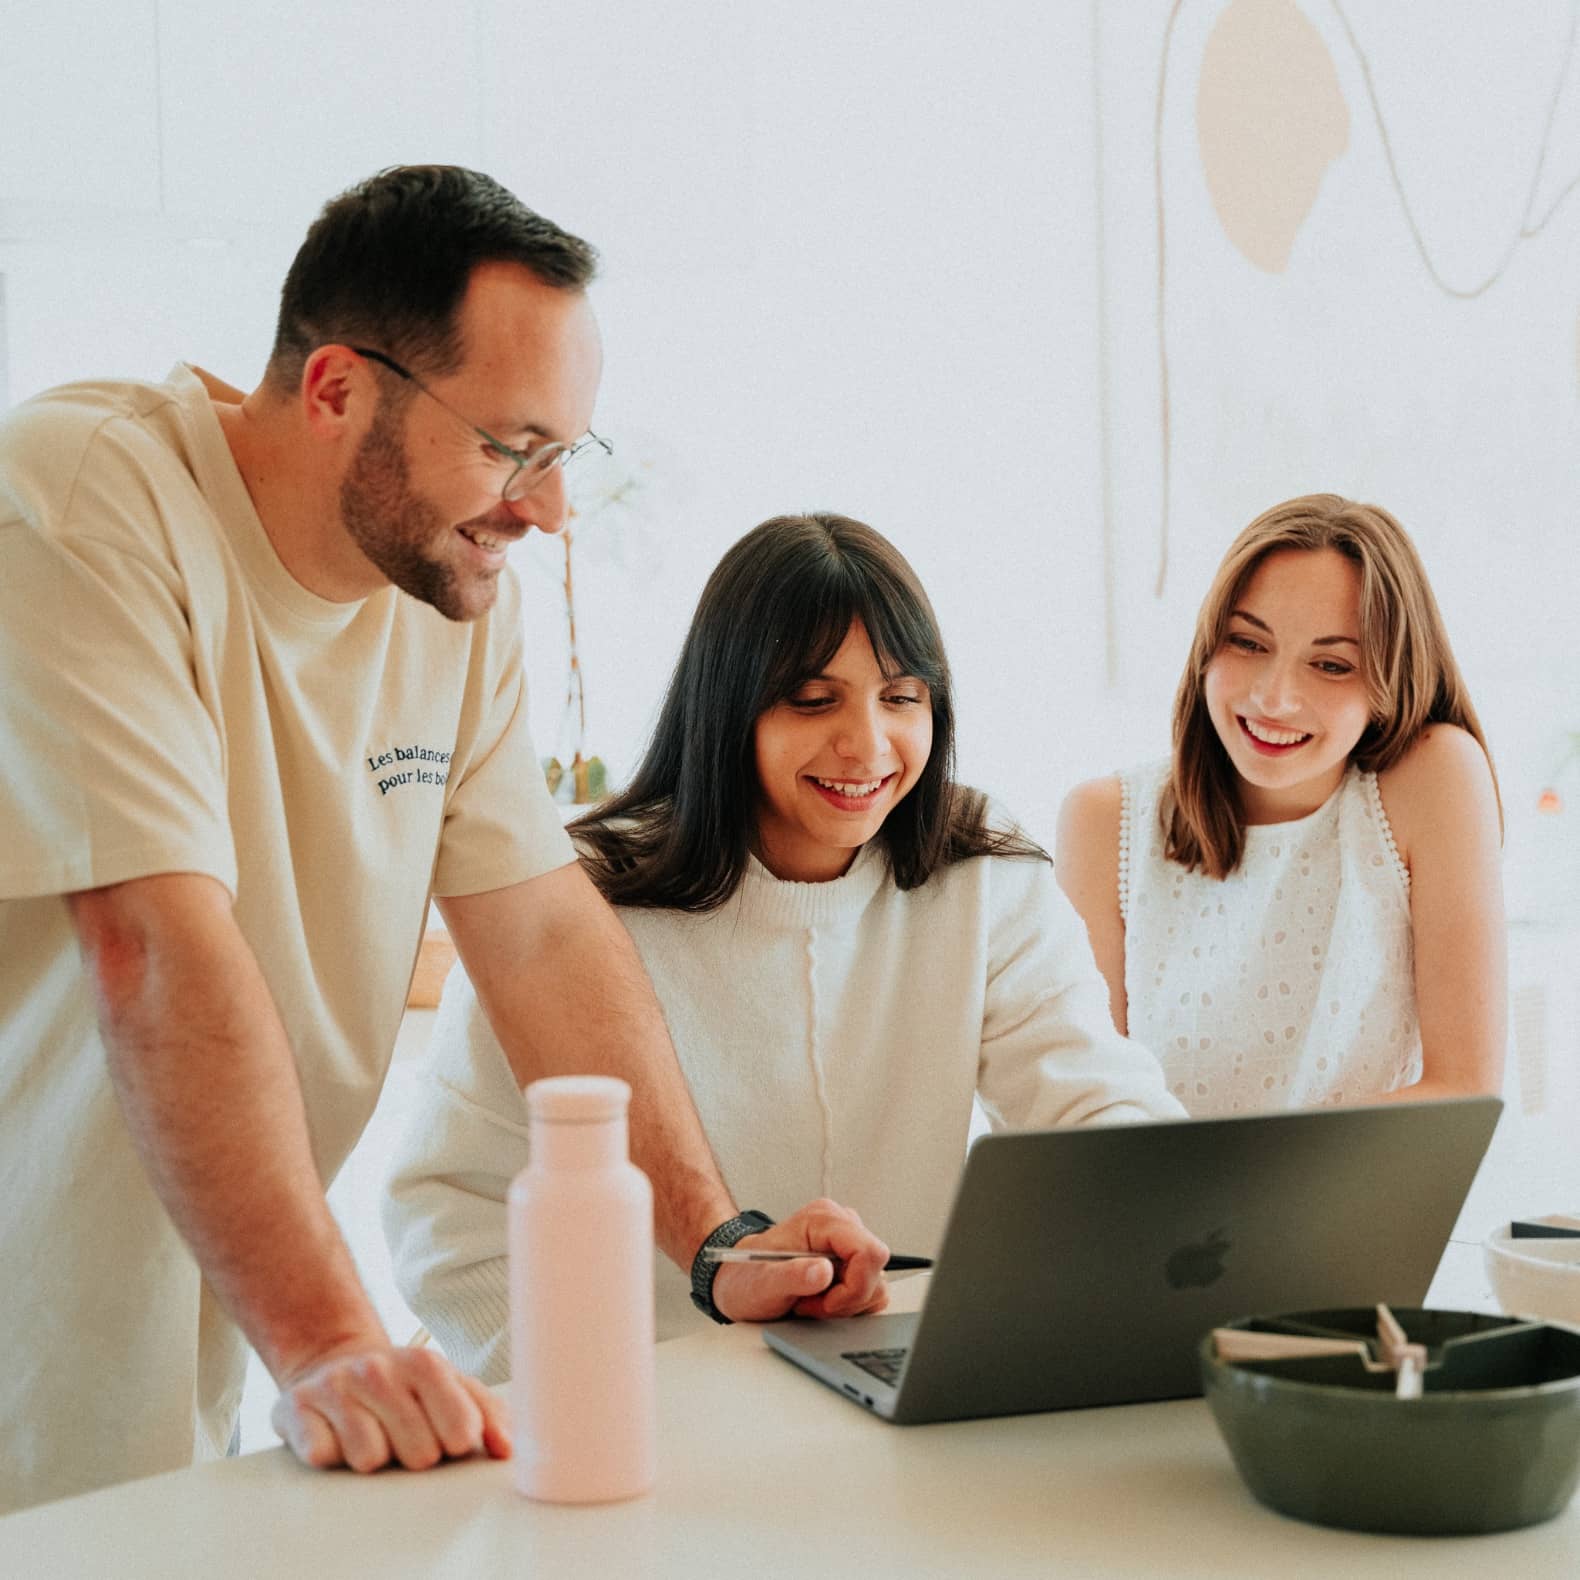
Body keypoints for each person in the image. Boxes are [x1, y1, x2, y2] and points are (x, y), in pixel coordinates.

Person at [0, 167, 888, 1515]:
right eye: (509, 446)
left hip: (194, 1310)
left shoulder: (451, 595)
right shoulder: (82, 504)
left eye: (564, 456)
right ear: (338, 389)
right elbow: (151, 944)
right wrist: (337, 1342)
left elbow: (537, 934)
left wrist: (716, 1239)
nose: (545, 509)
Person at [382, 513, 1185, 1375]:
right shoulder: (574, 894)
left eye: (901, 696)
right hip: (645, 1403)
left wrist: (1179, 1206)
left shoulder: (979, 868)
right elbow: (451, 1216)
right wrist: (619, 1390)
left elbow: (1091, 1103)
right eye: (813, 699)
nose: (868, 744)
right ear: (729, 708)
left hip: (891, 1384)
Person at [1056, 494, 1505, 1116]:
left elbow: (1465, 1090)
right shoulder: (1106, 820)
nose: (1275, 698)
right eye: (1247, 643)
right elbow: (1088, 1108)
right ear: (1207, 647)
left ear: (1388, 680)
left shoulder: (1431, 778)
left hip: (1361, 1208)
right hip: (1158, 1209)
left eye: (1330, 664)